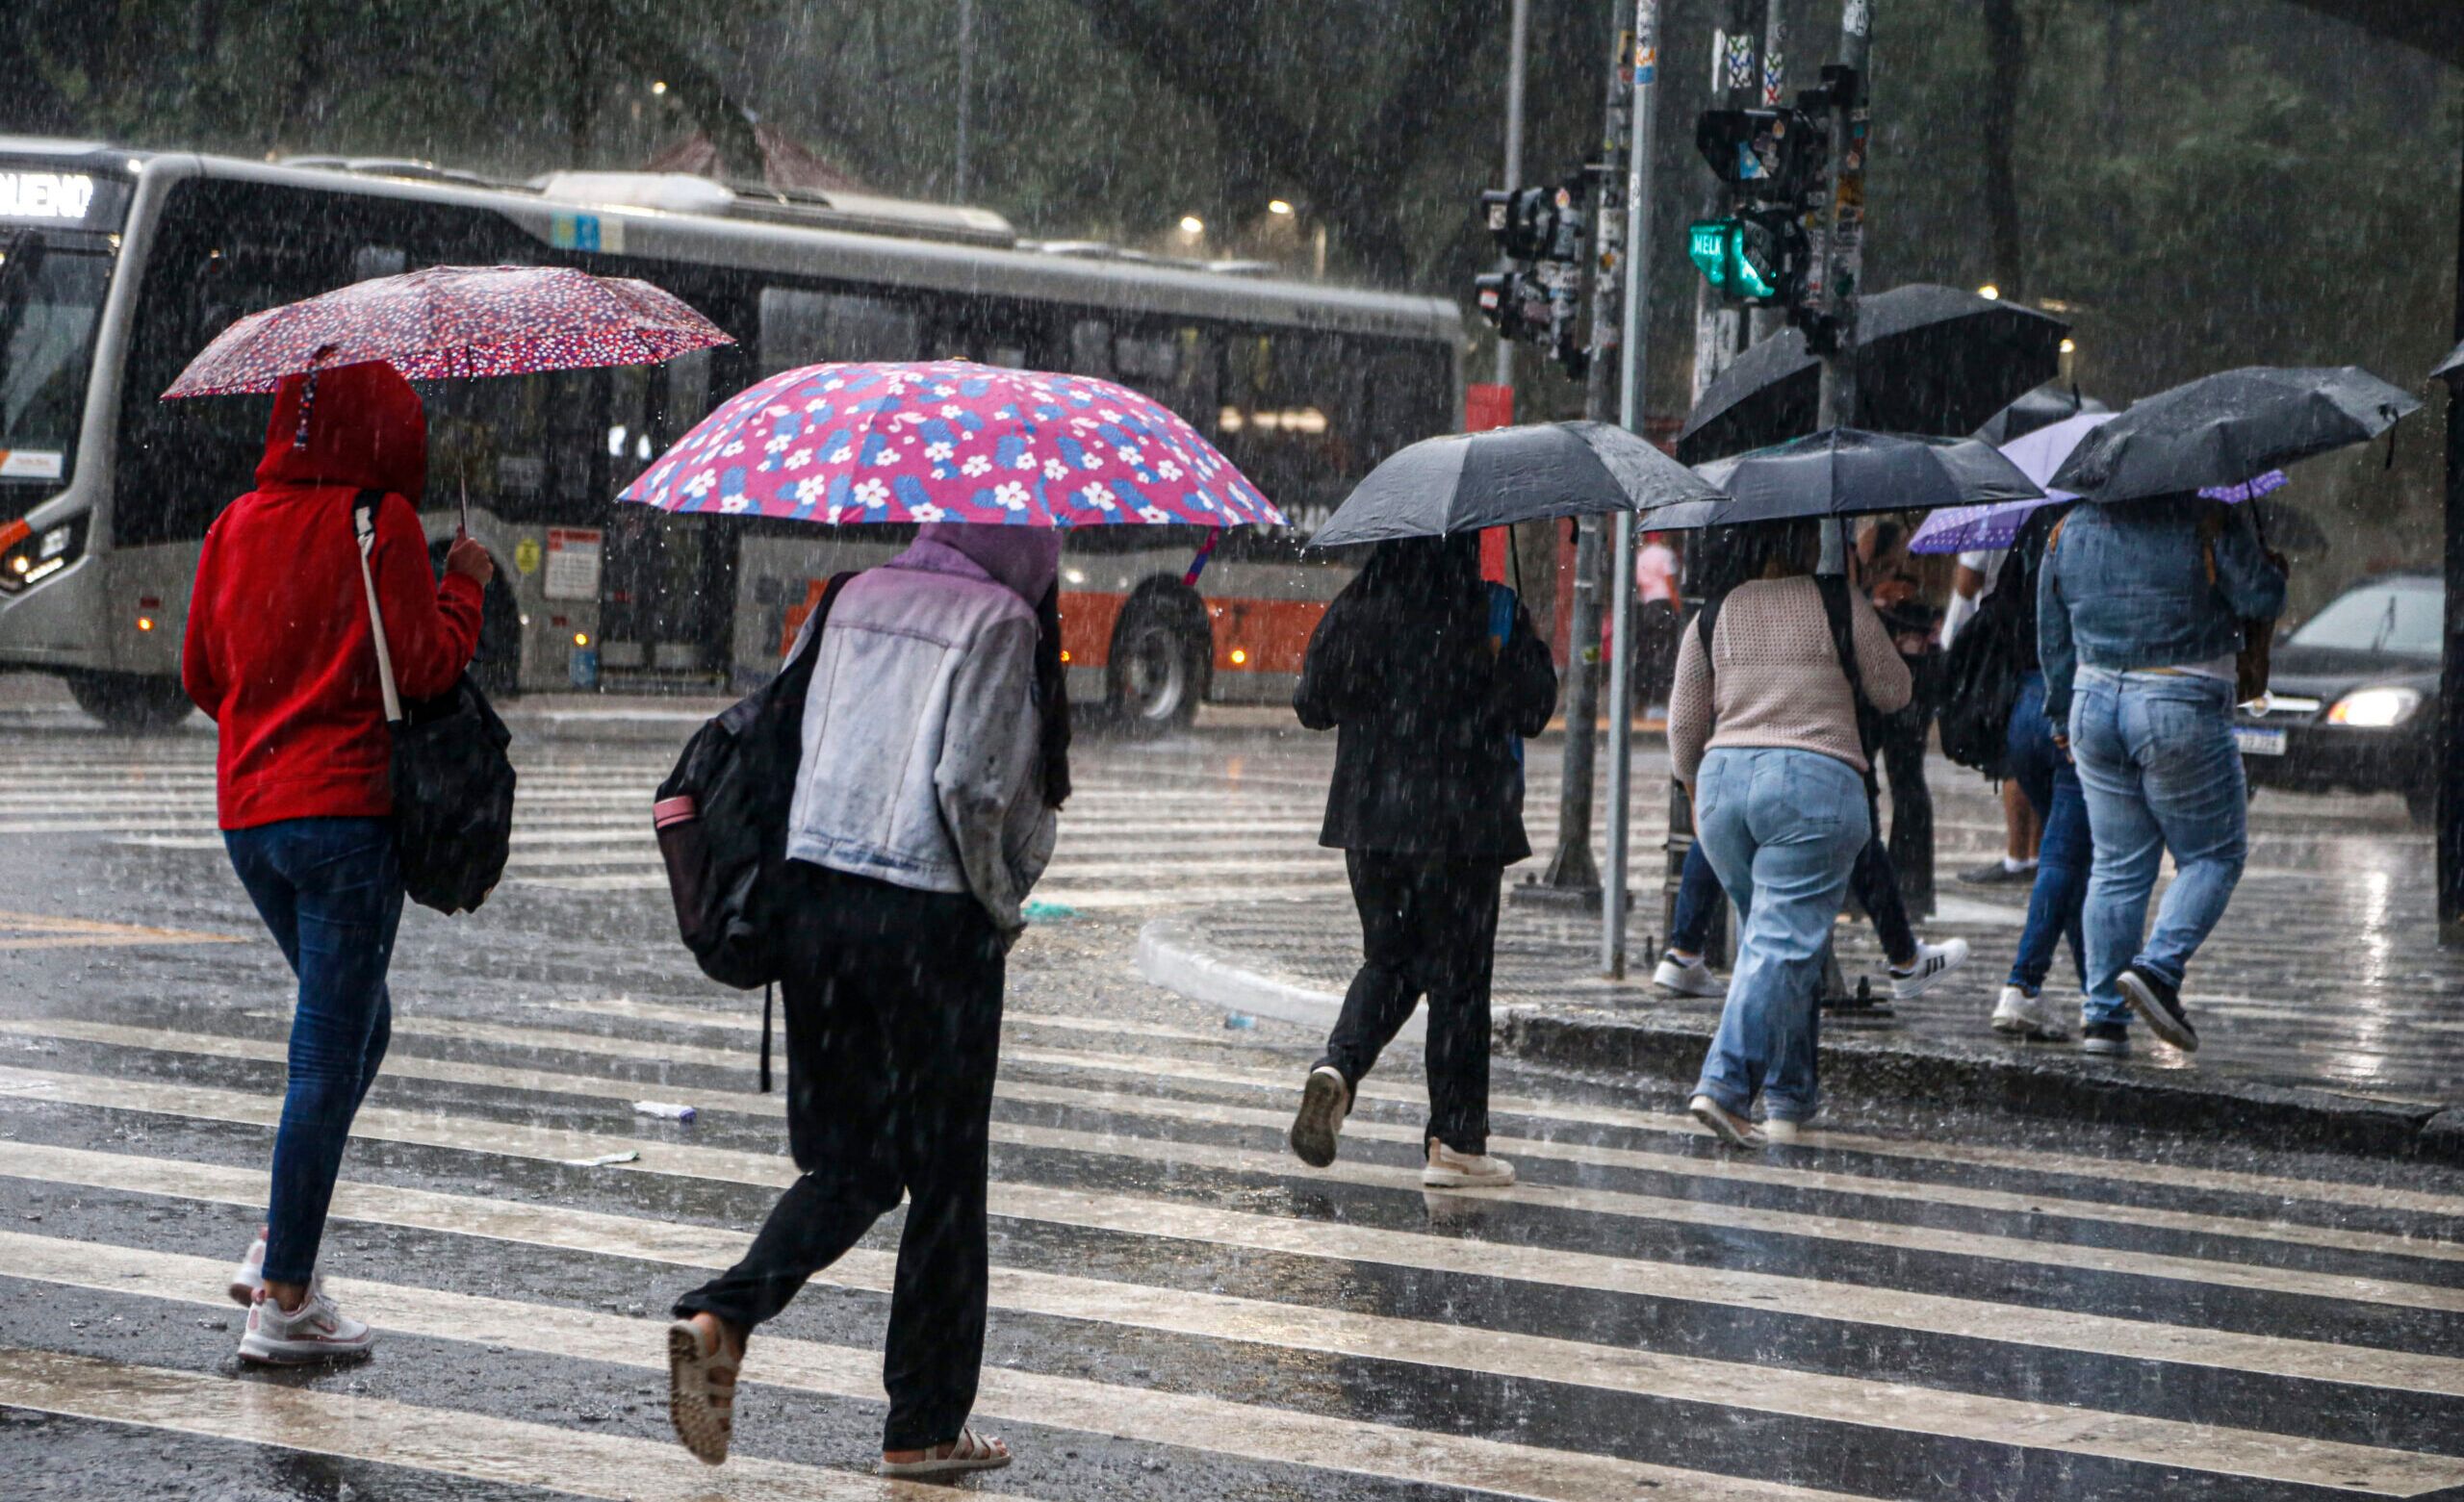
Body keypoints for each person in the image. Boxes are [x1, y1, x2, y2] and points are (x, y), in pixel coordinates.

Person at [665, 522, 1069, 1480]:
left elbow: (788, 736)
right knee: (945, 1183)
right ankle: (922, 1423)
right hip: (929, 918)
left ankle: (723, 1315)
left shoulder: (851, 595)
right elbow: (970, 787)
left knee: (851, 1166)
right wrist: (1001, 902)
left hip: (815, 905)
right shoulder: (1003, 620)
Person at [182, 363, 490, 1363]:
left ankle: (284, 1227)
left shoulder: (235, 521)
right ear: (383, 427)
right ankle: (285, 1296)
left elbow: (200, 673)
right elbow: (429, 664)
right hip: (345, 820)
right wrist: (465, 586)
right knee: (324, 1056)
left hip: (250, 820)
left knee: (362, 1023)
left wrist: (273, 707)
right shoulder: (379, 518)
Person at [1285, 534, 1556, 1188]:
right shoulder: (1489, 607)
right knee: (1460, 981)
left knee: (1393, 958)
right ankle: (1457, 1143)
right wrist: (1504, 648)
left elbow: (1311, 704)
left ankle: (1339, 1067)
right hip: (1462, 823)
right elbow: (1536, 708)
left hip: (1371, 822)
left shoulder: (1360, 605)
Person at [1670, 520, 1912, 1148]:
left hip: (1724, 793)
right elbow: (1894, 691)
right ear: (1807, 544)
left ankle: (1789, 1095)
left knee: (1775, 942)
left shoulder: (1713, 613)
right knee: (1780, 945)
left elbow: (1682, 727)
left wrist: (1699, 797)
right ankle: (1724, 1084)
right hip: (1811, 784)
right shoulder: (1838, 600)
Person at [2040, 495, 2285, 1054]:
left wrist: (2059, 712)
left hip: (2092, 700)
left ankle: (2102, 1017)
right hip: (2180, 696)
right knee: (2213, 855)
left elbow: (2052, 629)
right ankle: (2157, 970)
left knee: (2116, 866)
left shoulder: (2068, 528)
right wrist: (2263, 561)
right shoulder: (2209, 519)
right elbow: (2261, 597)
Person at [1981, 506, 2092, 1045]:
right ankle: (2022, 986)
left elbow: (1999, 611)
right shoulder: (2092, 534)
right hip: (2066, 704)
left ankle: (2099, 992)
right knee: (2065, 858)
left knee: (2069, 858)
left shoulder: (2034, 530)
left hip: (2022, 708)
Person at [1857, 518, 1941, 912]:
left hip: (1908, 664)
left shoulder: (1928, 526)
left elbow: (1917, 587)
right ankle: (1875, 878)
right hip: (1887, 661)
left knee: (1903, 776)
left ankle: (1905, 885)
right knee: (1865, 775)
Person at [1948, 547, 2046, 887]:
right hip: (2045, 635)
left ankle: (2017, 856)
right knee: (2040, 747)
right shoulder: (2060, 516)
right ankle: (2036, 853)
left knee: (2013, 754)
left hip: (2005, 643)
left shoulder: (1997, 509)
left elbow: (1966, 584)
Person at [1634, 531, 1682, 716]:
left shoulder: (1641, 556)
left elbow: (1639, 583)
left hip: (1647, 605)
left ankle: (1646, 696)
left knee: (1647, 652)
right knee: (1666, 652)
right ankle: (1660, 698)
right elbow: (1670, 583)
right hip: (1664, 605)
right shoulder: (1666, 554)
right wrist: (1678, 607)